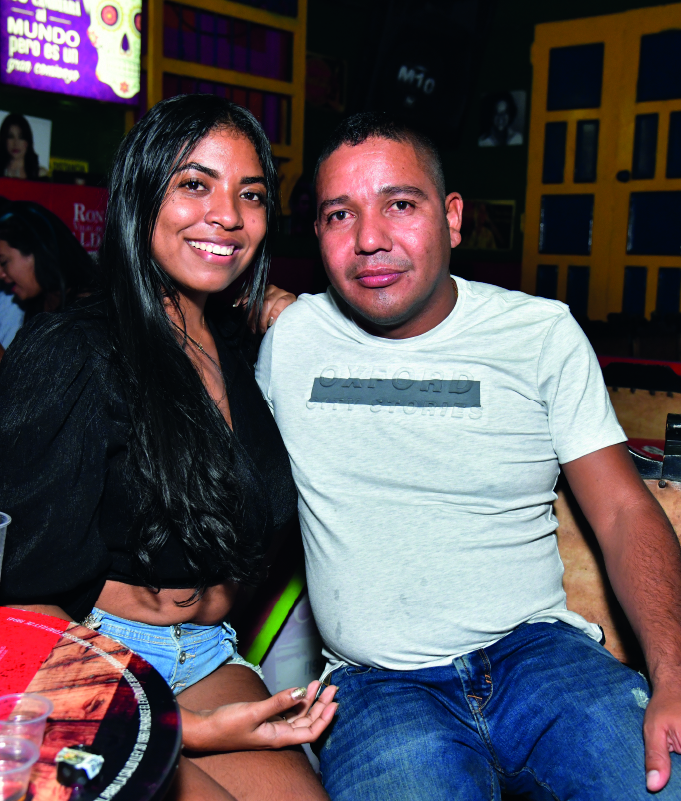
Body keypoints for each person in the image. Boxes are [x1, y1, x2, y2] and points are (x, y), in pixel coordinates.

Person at [255, 112, 681, 800]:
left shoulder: (538, 333)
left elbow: (624, 511)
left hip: (541, 658)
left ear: (452, 218)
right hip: (378, 687)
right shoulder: (293, 341)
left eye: (400, 204)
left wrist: (673, 673)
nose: (370, 238)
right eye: (340, 214)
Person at [0, 95, 336, 801]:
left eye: (250, 194)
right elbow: (21, 602)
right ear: (141, 195)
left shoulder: (239, 345)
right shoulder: (73, 349)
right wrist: (192, 729)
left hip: (208, 652)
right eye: (194, 184)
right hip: (89, 658)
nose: (228, 214)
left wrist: (286, 310)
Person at [0, 113, 47, 180]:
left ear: (27, 142)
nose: (16, 143)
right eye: (10, 136)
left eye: (21, 137)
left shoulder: (39, 174)